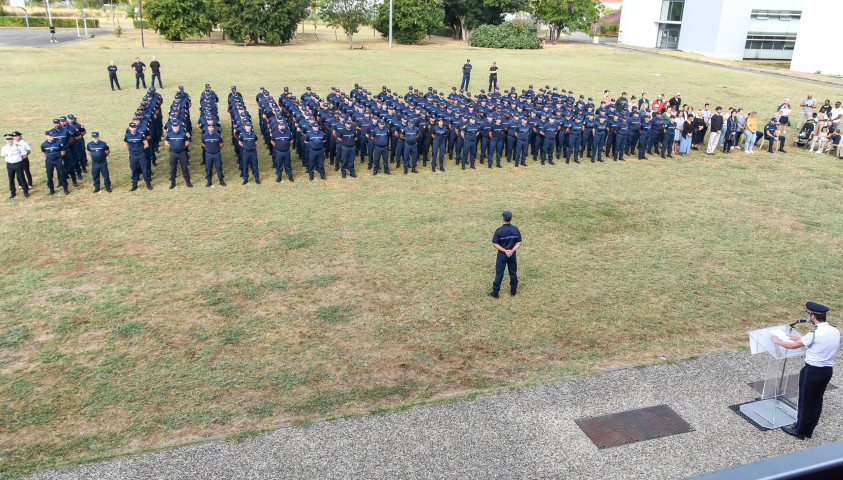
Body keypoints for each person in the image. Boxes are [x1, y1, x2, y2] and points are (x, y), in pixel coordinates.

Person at [772, 302, 840, 440]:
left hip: (812, 371)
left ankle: (800, 430)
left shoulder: (815, 332)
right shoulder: (834, 330)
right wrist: (799, 339)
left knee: (805, 400)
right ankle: (808, 429)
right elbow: (818, 345)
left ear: (813, 316)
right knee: (817, 400)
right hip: (827, 371)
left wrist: (777, 341)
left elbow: (793, 346)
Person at [488, 211, 522, 298]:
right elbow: (519, 242)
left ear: (502, 218)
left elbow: (495, 243)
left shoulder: (499, 231)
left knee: (499, 273)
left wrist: (505, 251)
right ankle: (513, 291)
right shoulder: (515, 229)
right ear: (510, 218)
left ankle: (495, 292)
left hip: (502, 255)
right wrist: (511, 250)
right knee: (513, 272)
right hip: (512, 255)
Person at [41, 130, 68, 195]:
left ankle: (65, 189)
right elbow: (44, 153)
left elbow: (62, 152)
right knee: (49, 175)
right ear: (47, 136)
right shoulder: (44, 144)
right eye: (50, 136)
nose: (52, 137)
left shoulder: (58, 142)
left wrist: (58, 157)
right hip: (49, 161)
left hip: (57, 160)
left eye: (52, 135)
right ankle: (51, 190)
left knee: (62, 174)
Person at [165, 122, 191, 189]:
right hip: (173, 153)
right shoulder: (169, 134)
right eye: (174, 126)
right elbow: (166, 143)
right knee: (173, 168)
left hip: (182, 153)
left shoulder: (183, 133)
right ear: (172, 127)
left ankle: (188, 182)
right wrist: (172, 147)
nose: (175, 127)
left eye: (176, 126)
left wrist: (182, 147)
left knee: (184, 168)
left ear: (178, 127)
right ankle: (173, 183)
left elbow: (187, 142)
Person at [2, 134, 29, 199]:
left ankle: (25, 192)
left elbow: (24, 155)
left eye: (10, 139)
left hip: (18, 164)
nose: (9, 141)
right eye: (7, 140)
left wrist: (18, 160)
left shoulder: (18, 146)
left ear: (13, 139)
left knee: (22, 178)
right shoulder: (4, 148)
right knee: (11, 179)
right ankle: (12, 192)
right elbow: (3, 156)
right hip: (10, 165)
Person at [201, 122, 225, 186]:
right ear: (207, 128)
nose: (211, 128)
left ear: (214, 128)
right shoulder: (204, 135)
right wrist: (206, 148)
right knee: (209, 168)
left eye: (212, 127)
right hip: (208, 154)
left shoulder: (218, 135)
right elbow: (202, 143)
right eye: (209, 127)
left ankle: (221, 180)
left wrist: (218, 147)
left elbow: (222, 143)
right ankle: (209, 181)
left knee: (219, 168)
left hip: (217, 154)